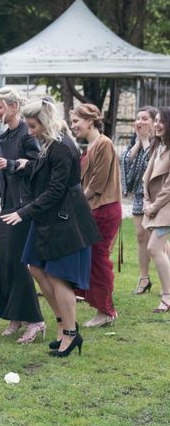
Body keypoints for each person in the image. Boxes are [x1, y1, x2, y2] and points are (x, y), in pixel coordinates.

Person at [1, 99, 101, 358]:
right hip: (49, 219)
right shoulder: (51, 145)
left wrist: (23, 212)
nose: (30, 131)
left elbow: (56, 189)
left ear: (44, 123)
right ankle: (62, 323)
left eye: (33, 126)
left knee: (58, 276)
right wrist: (23, 165)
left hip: (65, 220)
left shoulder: (63, 147)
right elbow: (44, 169)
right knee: (34, 265)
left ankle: (70, 334)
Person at [0, 87, 44, 342]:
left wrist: (12, 164)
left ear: (14, 107)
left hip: (24, 208)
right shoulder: (5, 138)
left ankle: (36, 321)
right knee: (4, 262)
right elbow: (1, 178)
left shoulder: (28, 136)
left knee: (18, 263)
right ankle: (15, 316)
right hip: (8, 206)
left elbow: (39, 167)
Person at [69, 104, 122, 327]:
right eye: (71, 122)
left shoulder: (103, 144)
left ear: (90, 121)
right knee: (91, 259)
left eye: (76, 122)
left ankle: (106, 311)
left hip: (103, 210)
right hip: (93, 209)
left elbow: (96, 184)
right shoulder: (89, 146)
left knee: (98, 260)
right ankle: (101, 307)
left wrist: (75, 204)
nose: (73, 126)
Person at [121, 106, 159, 294]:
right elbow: (126, 161)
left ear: (154, 121)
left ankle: (165, 278)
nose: (140, 122)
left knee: (158, 238)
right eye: (137, 118)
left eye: (145, 118)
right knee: (141, 236)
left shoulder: (161, 141)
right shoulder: (135, 139)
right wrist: (138, 142)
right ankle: (144, 279)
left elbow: (152, 165)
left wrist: (145, 142)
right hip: (138, 195)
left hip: (156, 196)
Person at [142, 107, 170, 312]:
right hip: (154, 205)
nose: (158, 124)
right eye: (157, 120)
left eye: (163, 121)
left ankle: (167, 296)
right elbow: (147, 178)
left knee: (154, 248)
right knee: (164, 248)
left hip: (164, 206)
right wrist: (145, 201)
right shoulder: (158, 146)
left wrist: (153, 206)